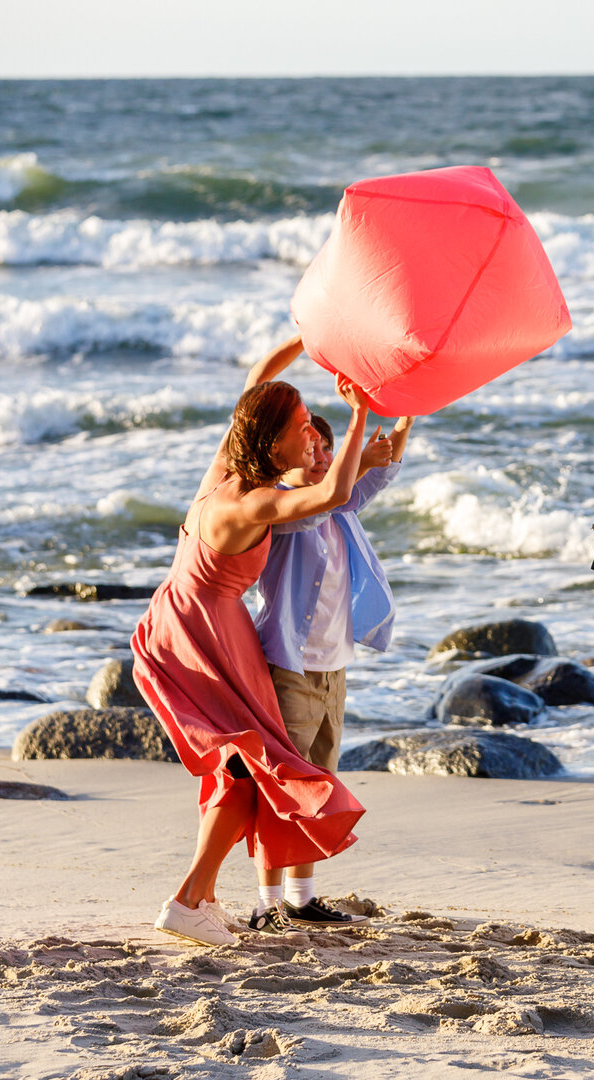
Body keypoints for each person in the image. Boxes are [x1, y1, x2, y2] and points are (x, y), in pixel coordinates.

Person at [131, 355, 371, 947]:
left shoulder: (227, 468)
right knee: (249, 765)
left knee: (239, 767)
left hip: (185, 619)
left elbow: (257, 374)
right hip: (205, 632)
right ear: (270, 441)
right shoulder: (249, 503)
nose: (313, 433)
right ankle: (188, 899)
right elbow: (336, 492)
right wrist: (361, 410)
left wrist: (313, 339)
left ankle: (200, 897)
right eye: (303, 427)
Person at [240, 335, 414, 931]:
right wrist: (357, 429)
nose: (321, 455)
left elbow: (377, 476)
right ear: (285, 458)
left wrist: (408, 409)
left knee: (319, 780)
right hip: (287, 664)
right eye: (312, 447)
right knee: (279, 789)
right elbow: (331, 493)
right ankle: (265, 905)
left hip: (332, 665)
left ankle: (301, 897)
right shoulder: (284, 508)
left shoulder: (336, 509)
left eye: (326, 448)